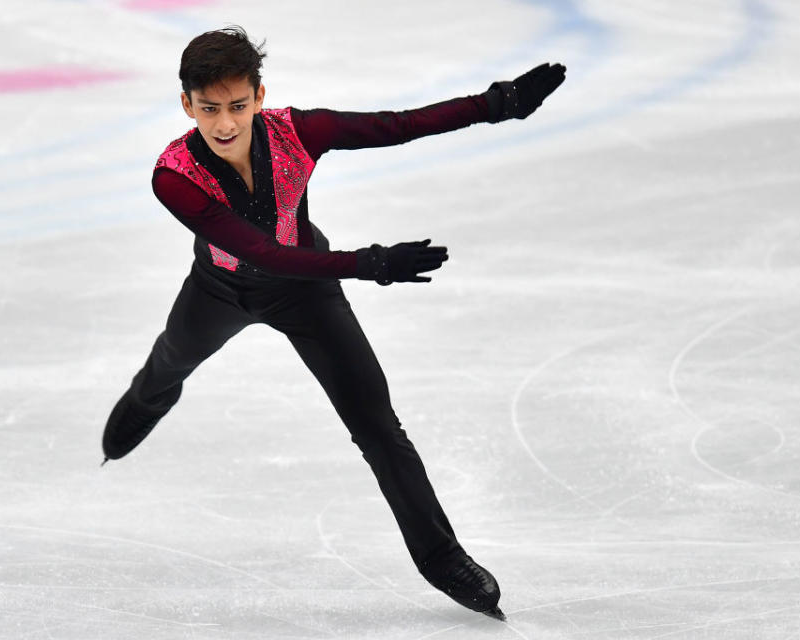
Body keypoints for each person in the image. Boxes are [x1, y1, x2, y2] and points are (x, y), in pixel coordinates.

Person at [101, 25, 565, 621]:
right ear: (187, 104)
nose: (224, 124)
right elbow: (262, 252)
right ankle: (146, 400)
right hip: (220, 290)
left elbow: (396, 125)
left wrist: (496, 105)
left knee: (377, 424)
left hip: (307, 294)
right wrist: (368, 263)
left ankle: (441, 558)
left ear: (259, 97)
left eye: (238, 106)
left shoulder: (298, 132)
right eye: (210, 109)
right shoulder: (174, 176)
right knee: (169, 362)